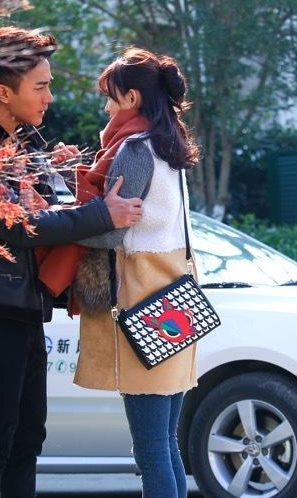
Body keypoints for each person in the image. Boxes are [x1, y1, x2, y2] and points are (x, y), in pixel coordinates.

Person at [0, 27, 143, 498]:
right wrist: (102, 215)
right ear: (4, 93)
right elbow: (16, 226)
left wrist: (58, 172)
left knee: (28, 437)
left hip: (22, 304)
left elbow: (45, 208)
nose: (50, 97)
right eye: (41, 86)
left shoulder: (22, 139)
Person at [68, 47, 201, 498]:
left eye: (111, 97)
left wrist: (63, 215)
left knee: (151, 450)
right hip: (175, 301)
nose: (107, 108)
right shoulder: (169, 148)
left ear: (132, 99)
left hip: (141, 302)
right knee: (165, 444)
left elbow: (110, 232)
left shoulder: (135, 150)